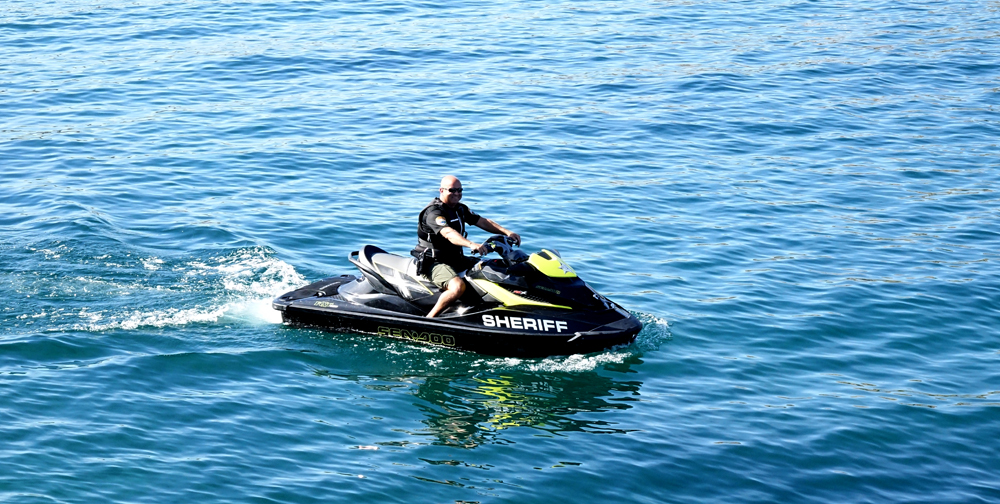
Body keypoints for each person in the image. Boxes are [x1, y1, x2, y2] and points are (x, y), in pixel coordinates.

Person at [414, 175, 521, 318]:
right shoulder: (434, 213)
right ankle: (430, 320)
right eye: (452, 190)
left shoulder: (460, 209)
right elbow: (448, 233)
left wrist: (507, 232)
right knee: (458, 287)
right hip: (434, 262)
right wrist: (471, 244)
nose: (457, 193)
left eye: (460, 190)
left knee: (493, 269)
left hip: (456, 259)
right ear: (441, 190)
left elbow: (482, 221)